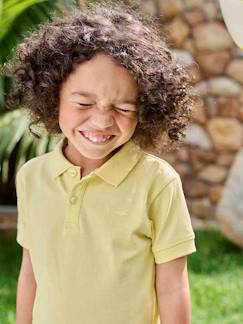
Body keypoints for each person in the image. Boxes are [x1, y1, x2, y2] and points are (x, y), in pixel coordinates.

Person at [6, 2, 197, 323]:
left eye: (123, 108)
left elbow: (172, 286)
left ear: (145, 109)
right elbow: (31, 272)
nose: (101, 121)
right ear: (52, 96)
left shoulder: (158, 182)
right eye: (83, 102)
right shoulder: (32, 177)